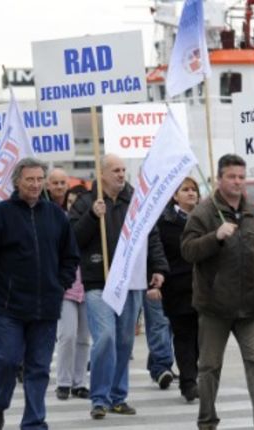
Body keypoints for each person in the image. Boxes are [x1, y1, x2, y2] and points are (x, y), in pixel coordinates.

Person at [0, 157, 80, 430]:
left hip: (46, 307)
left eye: (40, 179)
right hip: (9, 307)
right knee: (5, 362)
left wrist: (60, 283)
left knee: (39, 368)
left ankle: (34, 422)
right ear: (17, 181)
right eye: (30, 179)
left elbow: (70, 255)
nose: (36, 184)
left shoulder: (56, 216)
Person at [181, 154, 254, 430]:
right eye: (231, 176)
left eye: (241, 176)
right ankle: (207, 421)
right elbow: (188, 251)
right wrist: (216, 237)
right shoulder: (203, 212)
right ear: (219, 178)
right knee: (209, 367)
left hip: (250, 306)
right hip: (214, 306)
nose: (237, 181)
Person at [69, 154, 169, 419]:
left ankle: (117, 396)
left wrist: (158, 268)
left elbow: (152, 236)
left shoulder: (136, 201)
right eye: (115, 170)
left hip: (130, 281)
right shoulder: (85, 202)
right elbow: (72, 239)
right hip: (98, 282)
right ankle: (99, 398)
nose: (121, 174)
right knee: (105, 338)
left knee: (124, 341)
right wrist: (92, 216)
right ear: (101, 173)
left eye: (123, 169)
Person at [157, 177, 201, 402]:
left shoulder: (207, 218)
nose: (191, 193)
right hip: (178, 288)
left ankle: (194, 375)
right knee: (184, 336)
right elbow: (159, 253)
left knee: (202, 338)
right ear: (175, 196)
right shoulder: (166, 221)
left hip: (205, 289)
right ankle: (188, 382)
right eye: (185, 190)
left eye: (194, 189)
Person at [54, 185, 91, 401]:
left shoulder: (94, 225)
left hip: (88, 285)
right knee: (67, 335)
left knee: (84, 338)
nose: (73, 208)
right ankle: (63, 382)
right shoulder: (59, 225)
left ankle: (80, 382)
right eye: (70, 203)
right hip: (66, 287)